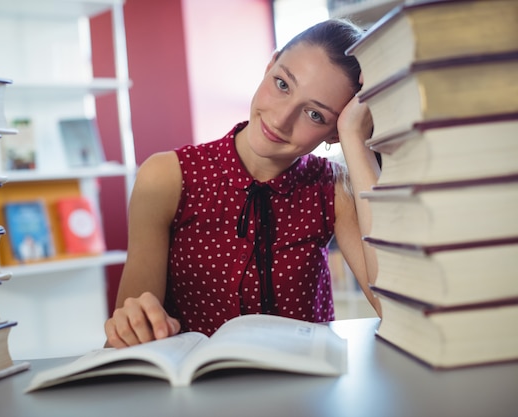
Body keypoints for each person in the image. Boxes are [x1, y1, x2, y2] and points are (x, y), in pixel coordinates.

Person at [105, 18, 381, 348]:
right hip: (193, 392)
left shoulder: (335, 188)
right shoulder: (165, 177)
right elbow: (126, 344)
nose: (280, 120)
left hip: (302, 392)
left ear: (333, 132)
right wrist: (130, 325)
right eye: (282, 84)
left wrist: (354, 137)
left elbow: (392, 307)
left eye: (315, 115)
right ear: (269, 65)